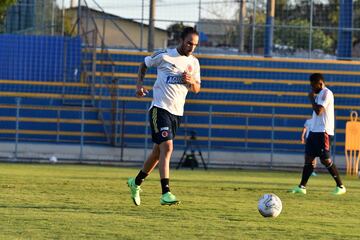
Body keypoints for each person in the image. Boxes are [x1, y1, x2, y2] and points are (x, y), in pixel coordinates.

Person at [127, 27, 201, 206]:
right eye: (189, 43)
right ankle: (165, 193)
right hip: (159, 109)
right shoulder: (164, 55)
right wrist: (139, 85)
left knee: (157, 154)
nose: (191, 47)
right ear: (181, 40)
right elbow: (143, 65)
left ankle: (135, 183)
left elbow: (197, 88)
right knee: (167, 147)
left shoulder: (194, 63)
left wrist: (191, 82)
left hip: (177, 114)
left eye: (195, 45)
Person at [291, 73, 346, 195]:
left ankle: (341, 186)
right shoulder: (319, 94)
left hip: (323, 132)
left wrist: (311, 98)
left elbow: (319, 111)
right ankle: (302, 187)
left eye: (313, 85)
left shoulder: (326, 93)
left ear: (320, 83)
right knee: (309, 158)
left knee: (325, 159)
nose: (312, 88)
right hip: (314, 131)